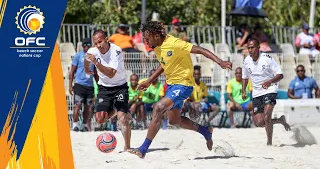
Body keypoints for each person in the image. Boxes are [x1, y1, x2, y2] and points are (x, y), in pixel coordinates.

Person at [128, 21, 232, 158]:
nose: (146, 42)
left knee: (158, 107)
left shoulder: (175, 43)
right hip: (172, 86)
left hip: (184, 84)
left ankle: (143, 149)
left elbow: (201, 50)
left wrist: (220, 62)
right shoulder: (157, 47)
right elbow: (164, 65)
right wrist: (149, 81)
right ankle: (206, 132)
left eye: (147, 39)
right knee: (174, 121)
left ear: (155, 35)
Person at [84, 30, 131, 151]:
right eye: (95, 43)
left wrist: (95, 63)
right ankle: (116, 109)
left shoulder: (116, 50)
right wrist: (86, 68)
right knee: (100, 120)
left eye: (100, 42)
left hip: (120, 86)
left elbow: (111, 74)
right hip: (104, 88)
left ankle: (127, 147)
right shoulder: (92, 51)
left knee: (123, 119)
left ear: (107, 40)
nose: (98, 45)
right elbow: (86, 57)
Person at [242, 38, 291, 146]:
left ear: (258, 48)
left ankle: (269, 142)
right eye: (248, 48)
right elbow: (245, 77)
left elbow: (280, 75)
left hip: (270, 89)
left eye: (252, 47)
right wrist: (243, 90)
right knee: (259, 122)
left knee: (267, 115)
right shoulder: (246, 61)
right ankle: (280, 120)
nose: (250, 50)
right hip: (256, 93)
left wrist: (270, 81)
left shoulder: (267, 58)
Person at [69, 38, 97, 132]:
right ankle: (75, 125)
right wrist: (70, 85)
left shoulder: (93, 57)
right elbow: (72, 71)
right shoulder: (78, 56)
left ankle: (84, 125)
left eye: (88, 45)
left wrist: (99, 85)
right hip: (79, 84)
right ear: (82, 46)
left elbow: (96, 73)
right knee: (78, 105)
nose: (87, 47)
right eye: (85, 45)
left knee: (88, 107)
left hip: (89, 86)